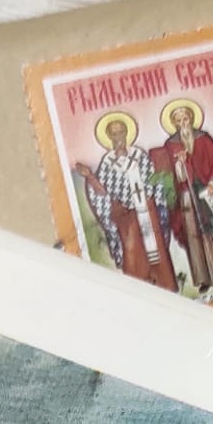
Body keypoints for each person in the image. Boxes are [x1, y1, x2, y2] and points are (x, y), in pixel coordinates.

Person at [74, 112, 178, 292]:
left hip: (148, 211)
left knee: (157, 251)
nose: (118, 137)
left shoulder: (139, 155)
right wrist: (90, 176)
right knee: (132, 254)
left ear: (127, 133)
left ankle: (165, 287)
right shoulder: (107, 163)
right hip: (127, 219)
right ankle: (137, 291)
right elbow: (102, 193)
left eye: (121, 132)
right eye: (114, 134)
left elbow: (153, 180)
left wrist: (150, 197)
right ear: (109, 137)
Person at [155, 99, 213, 294]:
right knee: (194, 236)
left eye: (185, 118)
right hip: (188, 196)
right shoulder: (171, 145)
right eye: (178, 120)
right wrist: (180, 165)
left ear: (191, 118)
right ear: (174, 123)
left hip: (208, 191)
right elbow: (171, 175)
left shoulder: (204, 139)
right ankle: (204, 278)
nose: (183, 123)